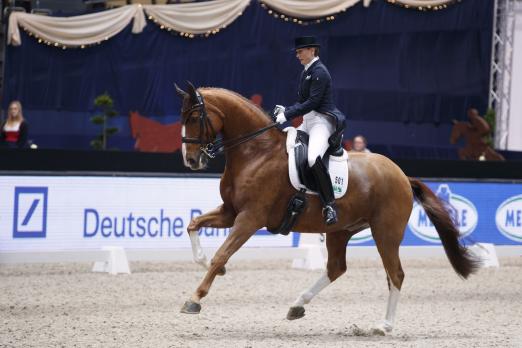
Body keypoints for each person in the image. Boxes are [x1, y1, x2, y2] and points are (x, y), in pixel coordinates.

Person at [273, 36, 346, 225]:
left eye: (300, 52)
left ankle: (329, 205)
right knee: (286, 143)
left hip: (322, 122)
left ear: (312, 50)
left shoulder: (320, 72)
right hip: (308, 121)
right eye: (297, 52)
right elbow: (303, 103)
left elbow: (313, 102)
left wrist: (288, 115)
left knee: (313, 158)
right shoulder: (306, 71)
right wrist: (286, 110)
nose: (297, 56)